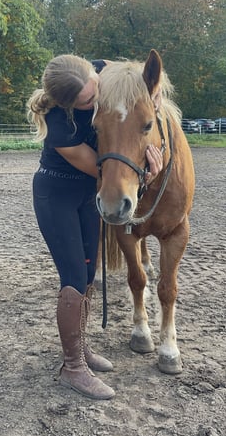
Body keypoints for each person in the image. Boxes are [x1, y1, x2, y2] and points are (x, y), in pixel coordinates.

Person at [26, 54, 163, 400]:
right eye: (88, 102)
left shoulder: (98, 75)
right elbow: (104, 172)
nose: (95, 99)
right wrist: (148, 174)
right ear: (69, 104)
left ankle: (81, 349)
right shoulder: (60, 124)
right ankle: (72, 367)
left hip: (87, 200)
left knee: (89, 275)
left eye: (95, 90)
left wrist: (151, 95)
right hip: (57, 196)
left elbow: (132, 78)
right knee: (73, 278)